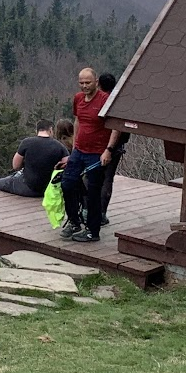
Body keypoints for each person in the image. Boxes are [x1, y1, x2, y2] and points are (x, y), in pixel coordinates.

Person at [61, 66, 113, 242]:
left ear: (96, 82)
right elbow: (77, 120)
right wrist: (74, 145)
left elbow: (115, 127)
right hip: (79, 151)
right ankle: (74, 222)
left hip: (97, 153)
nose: (84, 86)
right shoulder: (78, 99)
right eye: (81, 83)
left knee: (93, 192)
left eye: (87, 82)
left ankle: (93, 231)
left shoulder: (105, 100)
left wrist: (109, 150)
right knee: (67, 184)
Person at [0, 118, 67, 197]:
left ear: (37, 130)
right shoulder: (59, 146)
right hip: (48, 189)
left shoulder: (27, 142)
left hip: (27, 188)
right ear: (50, 130)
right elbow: (67, 166)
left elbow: (15, 166)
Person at [97, 71, 130, 226]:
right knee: (107, 178)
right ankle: (102, 213)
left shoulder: (99, 101)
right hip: (116, 148)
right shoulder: (119, 102)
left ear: (99, 84)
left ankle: (91, 211)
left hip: (102, 145)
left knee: (94, 178)